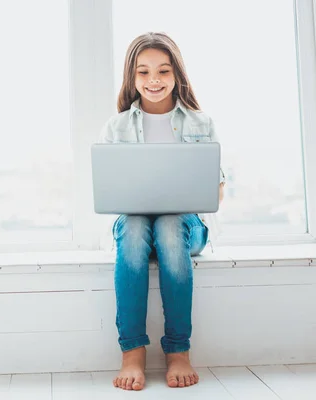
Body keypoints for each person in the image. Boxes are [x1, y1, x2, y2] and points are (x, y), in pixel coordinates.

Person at [98, 32, 226, 391]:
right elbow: (111, 193)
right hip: (136, 232)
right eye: (143, 72)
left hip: (186, 229)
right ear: (132, 78)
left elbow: (215, 192)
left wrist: (206, 189)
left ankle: (178, 351)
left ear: (176, 75)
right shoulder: (117, 126)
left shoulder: (202, 123)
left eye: (163, 71)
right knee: (136, 225)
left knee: (170, 224)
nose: (153, 80)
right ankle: (132, 353)